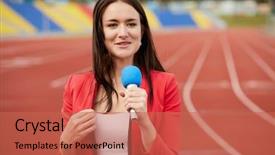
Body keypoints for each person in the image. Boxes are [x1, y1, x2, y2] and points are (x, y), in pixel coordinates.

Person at [60, 0, 182, 155]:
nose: (123, 33)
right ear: (100, 33)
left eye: (131, 24)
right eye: (112, 25)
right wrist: (66, 140)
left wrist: (144, 122)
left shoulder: (166, 85)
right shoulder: (75, 85)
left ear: (142, 31)